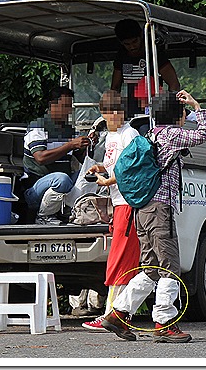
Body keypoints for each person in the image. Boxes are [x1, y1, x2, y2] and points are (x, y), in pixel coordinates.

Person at [101, 90, 206, 343]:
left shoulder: (150, 134)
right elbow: (205, 134)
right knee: (169, 267)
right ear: (178, 115)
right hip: (160, 210)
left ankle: (118, 313)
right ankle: (164, 323)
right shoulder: (171, 134)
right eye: (183, 112)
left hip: (141, 210)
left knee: (151, 269)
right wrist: (197, 106)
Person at [80, 90, 141, 331]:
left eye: (116, 113)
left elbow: (132, 169)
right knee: (118, 260)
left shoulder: (130, 135)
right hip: (117, 203)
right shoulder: (112, 136)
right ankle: (116, 313)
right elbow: (113, 164)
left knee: (121, 261)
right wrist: (100, 168)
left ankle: (113, 314)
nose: (113, 117)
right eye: (108, 113)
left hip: (128, 202)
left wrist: (109, 181)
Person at [23, 86, 92, 224]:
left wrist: (89, 144)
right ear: (52, 105)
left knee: (90, 174)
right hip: (35, 189)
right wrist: (70, 145)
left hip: (62, 188)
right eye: (65, 106)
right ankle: (43, 216)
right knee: (62, 179)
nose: (68, 111)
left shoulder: (69, 131)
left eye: (70, 107)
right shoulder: (38, 126)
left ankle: (73, 211)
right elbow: (41, 158)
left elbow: (83, 159)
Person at [111, 19, 180, 118]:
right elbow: (115, 87)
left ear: (141, 36)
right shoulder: (121, 56)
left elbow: (174, 83)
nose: (132, 46)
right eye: (127, 44)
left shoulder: (155, 54)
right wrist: (113, 111)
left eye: (135, 41)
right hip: (132, 114)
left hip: (155, 113)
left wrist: (167, 110)